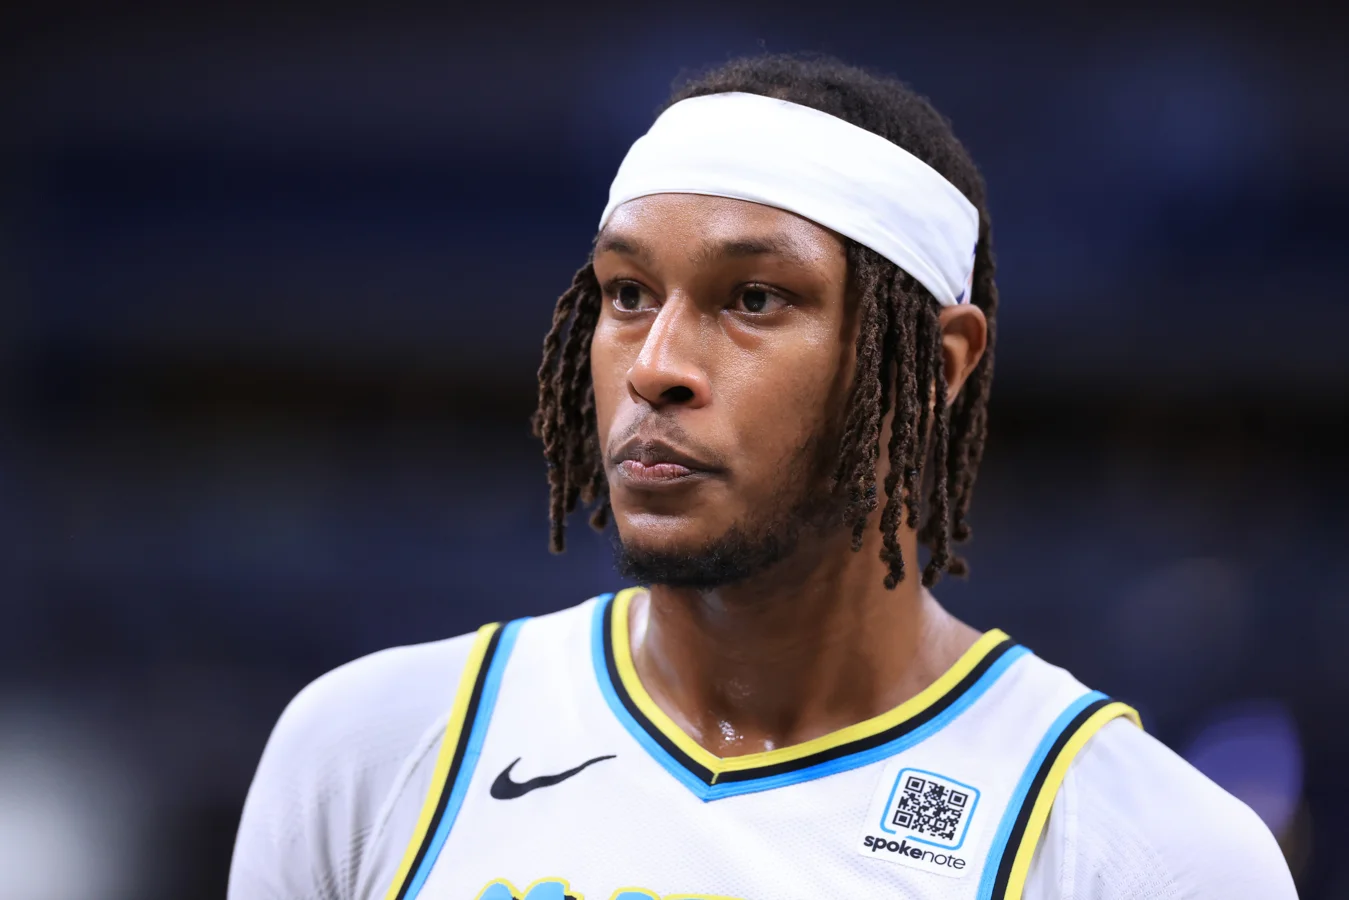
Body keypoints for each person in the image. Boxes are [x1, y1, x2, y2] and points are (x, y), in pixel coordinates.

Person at [227, 55, 1297, 900]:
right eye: (627, 293)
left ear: (935, 367)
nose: (655, 366)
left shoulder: (1145, 851)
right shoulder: (371, 752)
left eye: (752, 300)